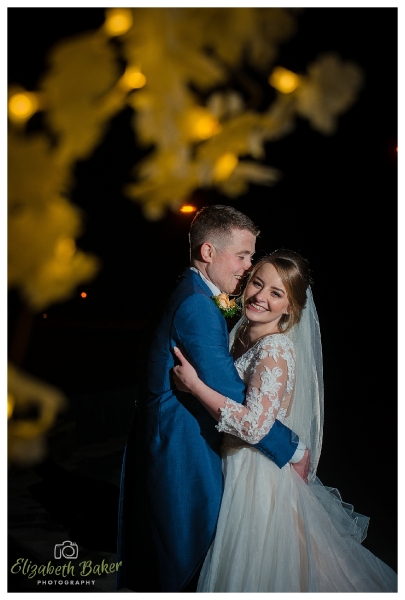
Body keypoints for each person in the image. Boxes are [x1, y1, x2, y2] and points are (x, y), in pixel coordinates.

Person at [172, 250, 397, 592]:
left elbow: (254, 426)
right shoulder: (243, 334)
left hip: (257, 474)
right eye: (257, 283)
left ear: (290, 308)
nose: (260, 296)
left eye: (276, 293)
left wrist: (195, 387)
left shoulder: (275, 350)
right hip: (235, 463)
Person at [116, 206, 309, 592]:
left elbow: (236, 398)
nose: (248, 266)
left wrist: (197, 388)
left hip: (204, 446)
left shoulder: (192, 294)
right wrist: (290, 446)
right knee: (186, 562)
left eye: (250, 257)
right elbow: (229, 388)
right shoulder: (198, 305)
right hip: (184, 449)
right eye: (242, 256)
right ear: (208, 252)